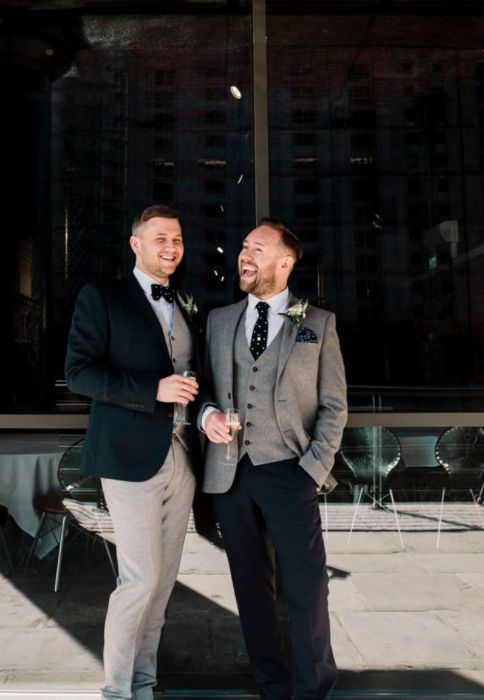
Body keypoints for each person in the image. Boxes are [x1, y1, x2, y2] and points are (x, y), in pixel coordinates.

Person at [200, 218, 347, 700]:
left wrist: (312, 471)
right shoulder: (219, 321)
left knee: (306, 588)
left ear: (284, 262)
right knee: (251, 590)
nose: (244, 255)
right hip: (230, 474)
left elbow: (334, 406)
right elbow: (200, 389)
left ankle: (313, 688)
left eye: (257, 248)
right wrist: (206, 416)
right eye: (243, 246)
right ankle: (271, 684)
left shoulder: (317, 323)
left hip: (291, 471)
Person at [65, 204, 200, 700]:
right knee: (139, 579)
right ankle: (117, 691)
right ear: (136, 244)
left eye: (178, 240)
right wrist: (152, 391)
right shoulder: (102, 297)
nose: (171, 247)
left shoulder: (186, 301)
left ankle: (145, 683)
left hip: (183, 457)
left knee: (162, 584)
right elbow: (79, 373)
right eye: (161, 238)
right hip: (129, 457)